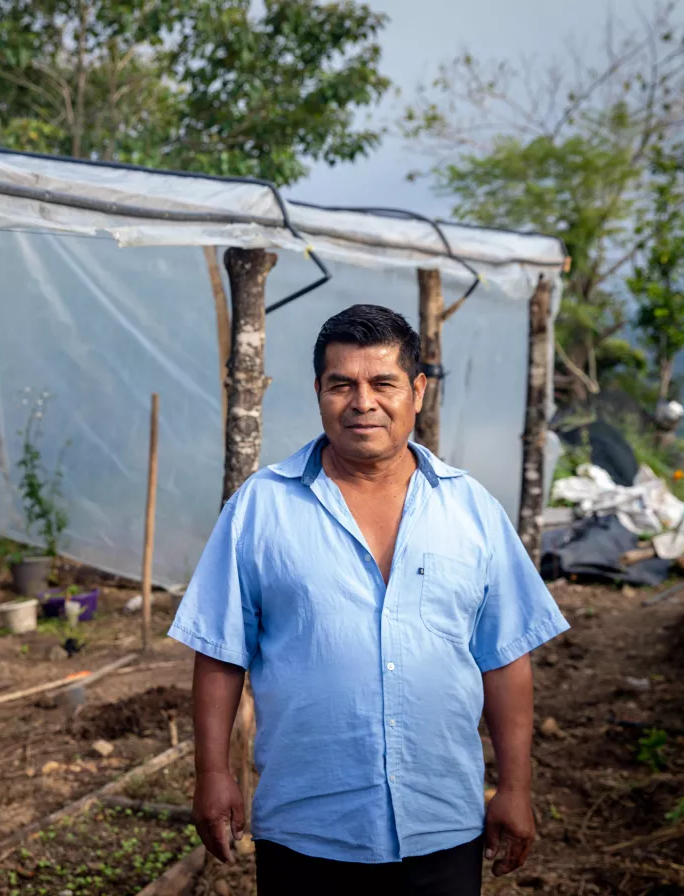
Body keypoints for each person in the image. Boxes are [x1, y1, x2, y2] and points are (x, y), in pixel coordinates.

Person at [169, 304, 569, 895]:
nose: (363, 402)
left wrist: (514, 786)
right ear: (318, 392)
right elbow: (222, 652)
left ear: (418, 390)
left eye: (383, 383)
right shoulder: (260, 507)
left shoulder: (472, 510)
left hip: (442, 823)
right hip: (306, 827)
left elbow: (504, 657)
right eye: (341, 385)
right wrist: (212, 773)